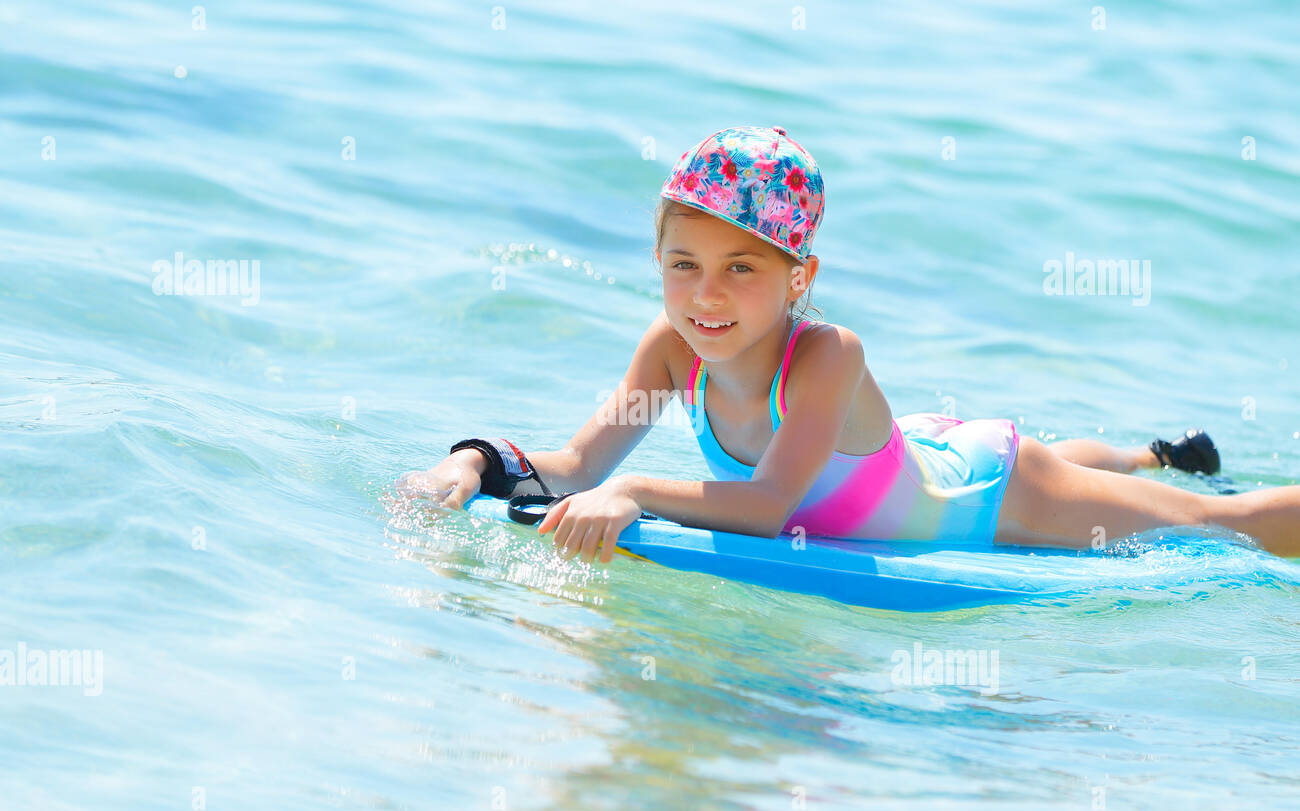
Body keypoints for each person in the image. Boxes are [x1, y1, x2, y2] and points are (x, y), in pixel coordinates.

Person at [399, 126, 1300, 561]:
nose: (705, 296)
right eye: (682, 264)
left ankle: (1164, 466)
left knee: (1230, 527)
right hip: (907, 458)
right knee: (1089, 464)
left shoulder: (827, 355)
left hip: (989, 497)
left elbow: (776, 501)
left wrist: (635, 490)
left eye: (742, 270)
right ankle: (1152, 450)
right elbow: (575, 462)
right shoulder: (671, 349)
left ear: (801, 277)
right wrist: (473, 463)